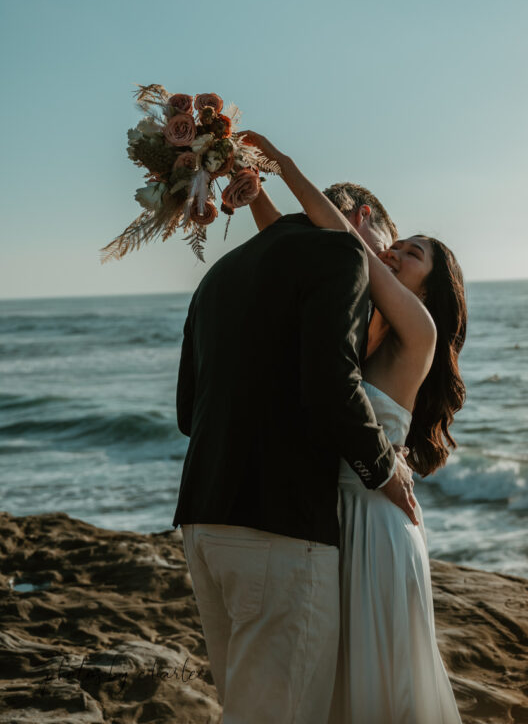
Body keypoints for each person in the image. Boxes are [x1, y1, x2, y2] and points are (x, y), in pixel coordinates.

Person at [172, 166, 418, 723]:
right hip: (280, 529)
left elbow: (189, 413)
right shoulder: (343, 253)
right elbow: (333, 384)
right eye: (384, 248)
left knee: (246, 708)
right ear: (361, 219)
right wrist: (384, 469)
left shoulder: (219, 273)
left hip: (202, 523)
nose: (383, 267)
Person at [242, 132, 467, 724]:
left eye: (412, 254)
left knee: (381, 685)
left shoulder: (420, 331)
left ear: (429, 288)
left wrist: (282, 165)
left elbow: (342, 242)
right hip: (334, 516)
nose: (395, 254)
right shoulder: (366, 331)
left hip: (377, 522)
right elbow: (306, 256)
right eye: (399, 246)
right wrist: (257, 196)